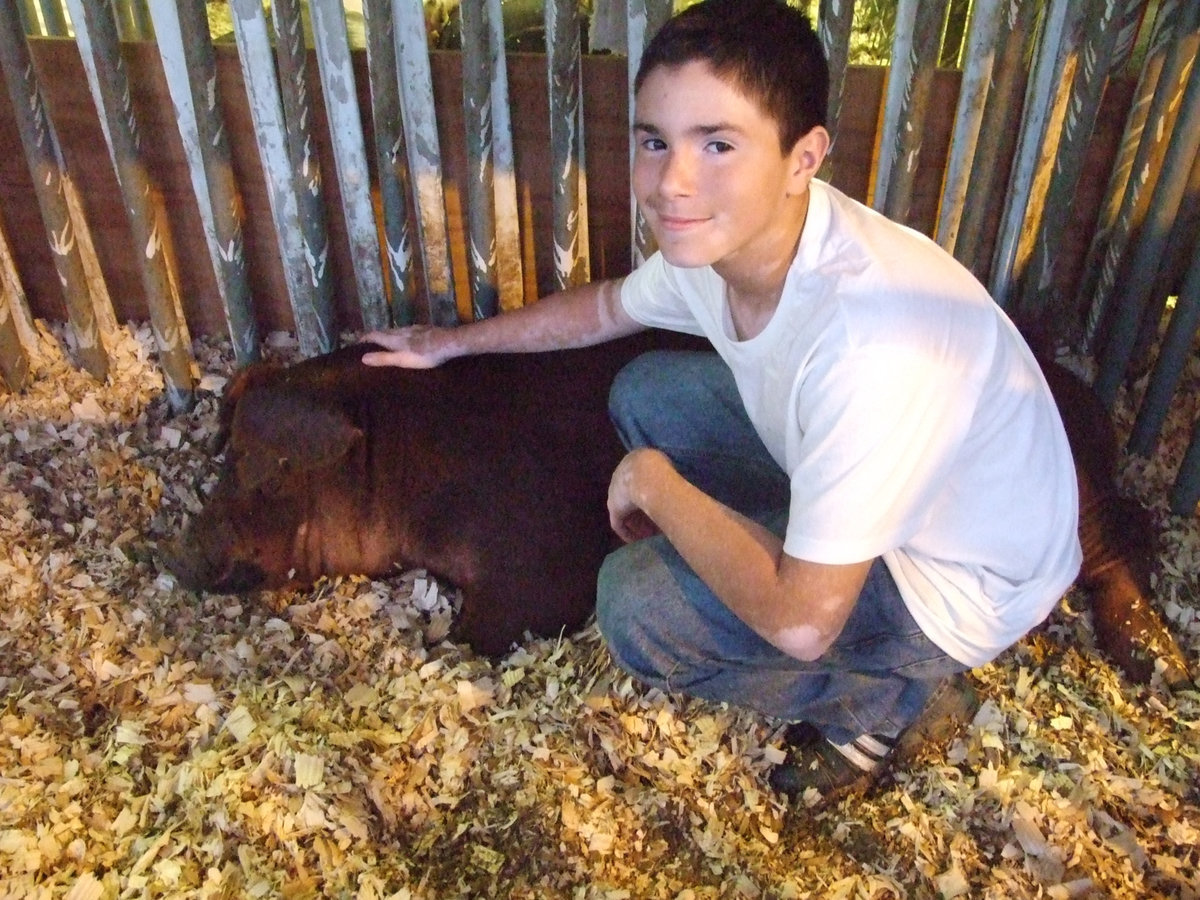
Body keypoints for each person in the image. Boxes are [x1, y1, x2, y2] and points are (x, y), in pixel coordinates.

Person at [362, 0, 1081, 803]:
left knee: (637, 610)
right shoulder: (733, 239)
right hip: (897, 491)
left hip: (957, 581)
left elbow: (803, 624)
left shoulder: (865, 347)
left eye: (718, 144)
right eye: (655, 141)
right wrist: (452, 343)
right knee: (646, 390)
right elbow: (605, 310)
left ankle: (883, 702)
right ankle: (806, 544)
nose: (673, 182)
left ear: (803, 157)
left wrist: (653, 484)